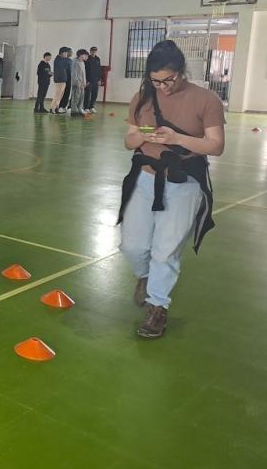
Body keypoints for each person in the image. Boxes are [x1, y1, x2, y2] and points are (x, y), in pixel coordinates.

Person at [118, 40, 225, 339]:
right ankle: (145, 276)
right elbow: (128, 141)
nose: (162, 87)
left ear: (181, 71)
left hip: (183, 182)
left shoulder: (206, 99)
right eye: (155, 81)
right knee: (132, 245)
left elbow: (215, 146)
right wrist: (140, 135)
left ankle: (157, 307)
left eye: (168, 80)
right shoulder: (142, 97)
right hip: (144, 178)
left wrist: (177, 139)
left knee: (165, 251)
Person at [49, 47, 70, 114]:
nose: (67, 54)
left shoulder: (62, 59)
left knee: (60, 95)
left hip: (63, 80)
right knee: (57, 95)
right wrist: (67, 58)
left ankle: (56, 108)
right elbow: (68, 63)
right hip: (59, 80)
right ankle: (52, 108)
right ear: (62, 52)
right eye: (66, 53)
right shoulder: (58, 59)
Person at [70, 49, 89, 117]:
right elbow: (73, 73)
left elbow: (83, 74)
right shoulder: (75, 62)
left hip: (82, 84)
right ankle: (74, 111)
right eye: (85, 55)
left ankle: (79, 109)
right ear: (81, 55)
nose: (87, 57)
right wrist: (77, 82)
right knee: (76, 97)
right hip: (76, 83)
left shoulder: (82, 62)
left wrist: (84, 82)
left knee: (81, 97)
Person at [84, 46, 102, 113]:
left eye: (95, 51)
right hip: (89, 80)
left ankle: (91, 106)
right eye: (92, 51)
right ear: (90, 51)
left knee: (95, 94)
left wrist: (99, 79)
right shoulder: (87, 59)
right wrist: (86, 80)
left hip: (96, 80)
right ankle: (86, 107)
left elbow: (99, 70)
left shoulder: (98, 59)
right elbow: (85, 70)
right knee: (87, 94)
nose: (94, 52)